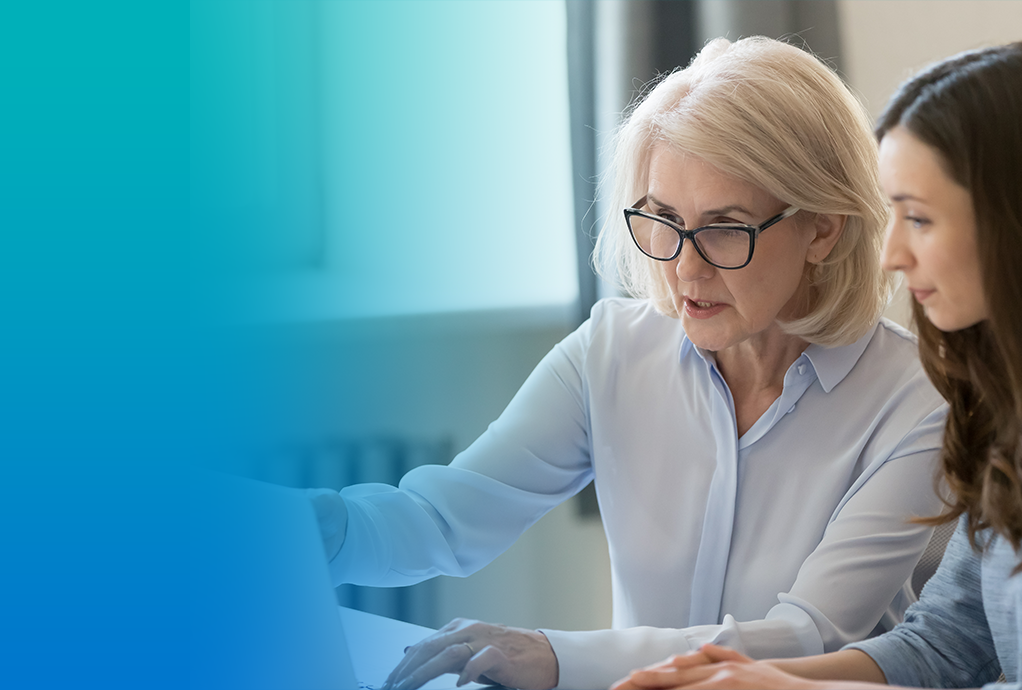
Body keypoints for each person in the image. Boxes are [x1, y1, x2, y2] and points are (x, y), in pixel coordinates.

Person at [311, 36, 947, 690]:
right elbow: (440, 520)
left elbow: (807, 635)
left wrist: (556, 656)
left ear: (823, 228)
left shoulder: (916, 404)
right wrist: (301, 529)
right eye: (663, 219)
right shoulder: (612, 351)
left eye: (725, 226)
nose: (684, 267)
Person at [611, 40, 1022, 690]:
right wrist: (751, 677)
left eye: (918, 218)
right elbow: (945, 645)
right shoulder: (1016, 414)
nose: (891, 256)